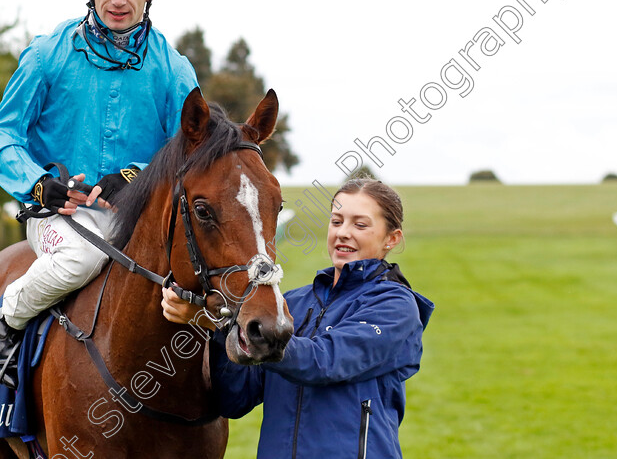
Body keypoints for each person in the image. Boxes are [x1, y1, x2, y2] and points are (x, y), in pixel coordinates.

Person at [0, 0, 199, 388]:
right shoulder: (47, 55)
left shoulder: (175, 70)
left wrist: (138, 175)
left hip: (140, 215)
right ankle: (6, 320)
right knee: (80, 259)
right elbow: (2, 137)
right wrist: (39, 184)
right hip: (59, 213)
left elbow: (191, 147)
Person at [162, 178, 434, 458]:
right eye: (337, 221)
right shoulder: (292, 303)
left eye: (360, 225)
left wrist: (216, 322)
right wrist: (220, 330)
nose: (343, 233)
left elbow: (325, 362)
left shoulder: (396, 307)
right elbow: (235, 399)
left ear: (392, 238)